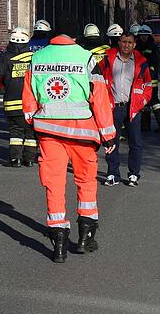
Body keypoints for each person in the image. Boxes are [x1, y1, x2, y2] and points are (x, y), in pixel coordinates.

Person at [23, 33, 116, 262]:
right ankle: (86, 237)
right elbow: (99, 98)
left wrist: (36, 120)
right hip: (83, 133)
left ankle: (59, 243)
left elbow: (28, 101)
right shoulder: (86, 58)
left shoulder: (37, 58)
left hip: (48, 132)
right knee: (86, 181)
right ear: (75, 38)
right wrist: (108, 135)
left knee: (53, 184)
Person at [97, 32, 153, 187]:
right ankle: (112, 174)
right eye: (123, 42)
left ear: (134, 44)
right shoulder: (108, 60)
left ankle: (134, 174)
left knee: (135, 143)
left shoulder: (141, 62)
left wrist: (142, 101)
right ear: (119, 43)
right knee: (111, 142)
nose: (126, 45)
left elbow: (148, 85)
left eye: (130, 42)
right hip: (113, 107)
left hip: (133, 107)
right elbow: (96, 79)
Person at [2, 27, 37, 167]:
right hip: (31, 104)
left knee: (15, 132)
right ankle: (29, 160)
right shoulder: (35, 58)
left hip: (12, 104)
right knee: (31, 133)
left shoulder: (6, 58)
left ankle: (15, 159)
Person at [135, 26, 160, 132]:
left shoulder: (153, 47)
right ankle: (145, 126)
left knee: (154, 101)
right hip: (140, 79)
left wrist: (151, 72)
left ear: (149, 35)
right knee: (143, 102)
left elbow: (157, 62)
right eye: (141, 35)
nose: (143, 37)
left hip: (151, 79)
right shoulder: (136, 46)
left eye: (145, 35)